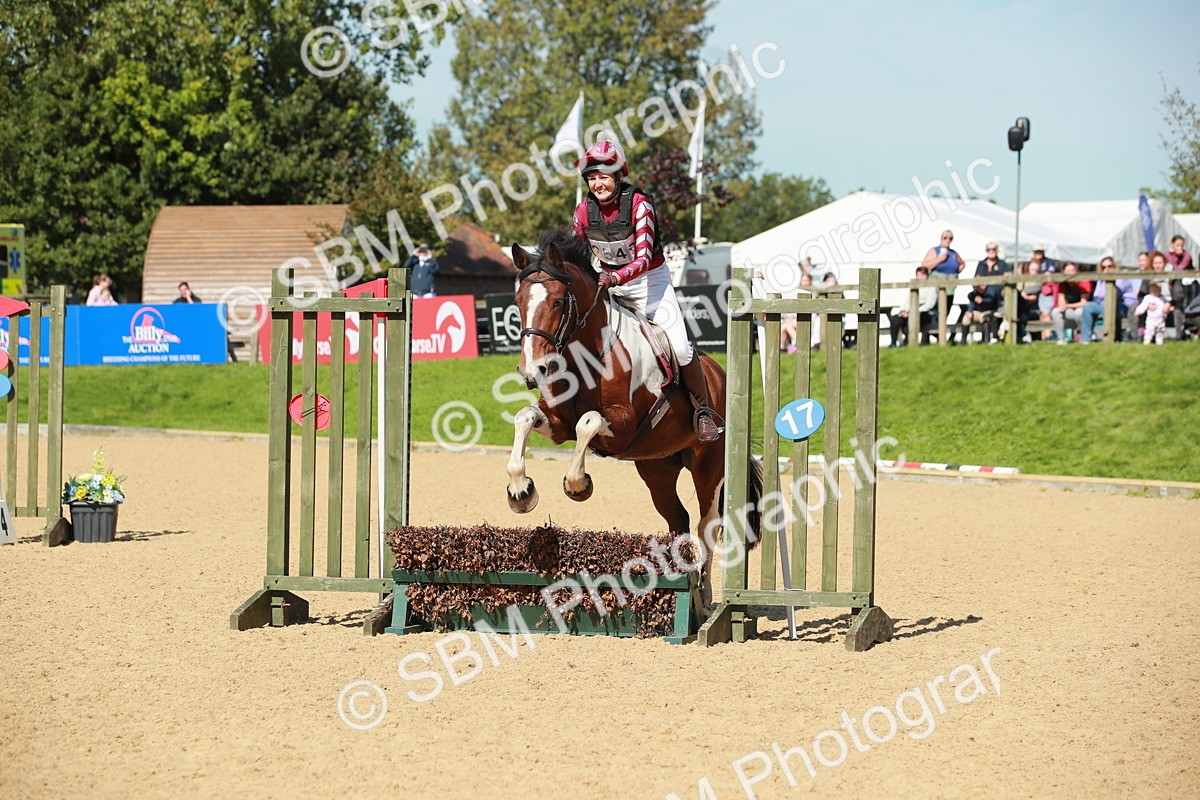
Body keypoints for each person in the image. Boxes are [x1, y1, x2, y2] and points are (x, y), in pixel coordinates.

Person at [571, 130, 722, 442]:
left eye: (604, 177)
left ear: (619, 175)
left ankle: (703, 410)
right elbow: (576, 255)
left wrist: (612, 277)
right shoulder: (583, 212)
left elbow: (642, 259)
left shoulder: (640, 206)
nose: (598, 184)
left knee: (680, 347)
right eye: (592, 178)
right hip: (610, 287)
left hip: (650, 285)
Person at [959, 241, 1009, 343]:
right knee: (969, 315)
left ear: (997, 250)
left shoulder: (1002, 264)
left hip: (998, 298)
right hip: (981, 296)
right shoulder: (981, 264)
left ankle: (993, 338)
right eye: (988, 249)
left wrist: (989, 290)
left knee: (993, 317)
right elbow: (976, 281)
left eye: (993, 249)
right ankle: (963, 342)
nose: (991, 251)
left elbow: (1005, 280)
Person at [1079, 257, 1138, 343]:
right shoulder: (1101, 280)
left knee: (1105, 303)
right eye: (1104, 267)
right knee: (1088, 306)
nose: (1106, 269)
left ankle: (1109, 335)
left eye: (1109, 266)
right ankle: (1085, 339)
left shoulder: (1121, 278)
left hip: (1125, 306)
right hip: (1106, 304)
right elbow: (1096, 296)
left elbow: (1113, 295)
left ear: (1114, 266)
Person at [887, 266, 936, 347]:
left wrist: (914, 312)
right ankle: (893, 343)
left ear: (927, 275)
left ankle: (907, 343)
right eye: (918, 275)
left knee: (911, 319)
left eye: (922, 275)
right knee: (894, 319)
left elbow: (929, 305)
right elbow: (907, 302)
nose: (920, 277)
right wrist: (903, 311)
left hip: (924, 313)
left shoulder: (931, 287)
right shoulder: (914, 286)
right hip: (910, 311)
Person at [1051, 262, 1092, 344]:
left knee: (1079, 312)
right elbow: (1061, 300)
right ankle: (1061, 339)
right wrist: (1063, 306)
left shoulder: (1084, 282)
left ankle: (1084, 337)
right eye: (1068, 271)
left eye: (1073, 270)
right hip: (1069, 309)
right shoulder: (1061, 284)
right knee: (1055, 312)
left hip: (1081, 309)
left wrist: (1067, 305)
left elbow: (1083, 302)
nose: (1070, 273)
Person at [1164, 235, 1195, 339]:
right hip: (1171, 286)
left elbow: (1177, 270)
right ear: (1172, 245)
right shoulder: (1166, 255)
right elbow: (1167, 269)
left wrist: (1174, 255)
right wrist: (1172, 255)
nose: (1180, 247)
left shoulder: (1187, 256)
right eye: (1178, 245)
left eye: (1182, 245)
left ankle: (1173, 302)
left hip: (1186, 289)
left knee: (1178, 308)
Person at [1028, 245, 1058, 322]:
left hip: (1046, 293)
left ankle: (1048, 334)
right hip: (1033, 290)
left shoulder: (1049, 262)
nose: (1038, 253)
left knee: (1046, 314)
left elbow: (1049, 274)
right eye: (1036, 251)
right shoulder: (1029, 262)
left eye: (1040, 251)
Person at [1015, 261, 1043, 342]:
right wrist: (1025, 295)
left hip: (1033, 310)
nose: (1034, 272)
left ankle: (1024, 336)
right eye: (1032, 269)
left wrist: (1024, 294)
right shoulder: (1022, 280)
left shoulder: (1038, 280)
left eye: (1036, 270)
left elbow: (1035, 292)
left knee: (1022, 313)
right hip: (1021, 308)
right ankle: (1023, 336)